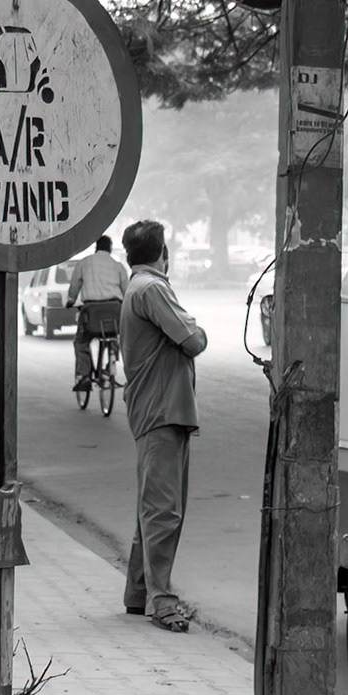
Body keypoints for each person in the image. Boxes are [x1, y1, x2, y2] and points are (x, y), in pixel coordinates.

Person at [117, 220, 206, 633]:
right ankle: (162, 601)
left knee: (151, 507)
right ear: (162, 252)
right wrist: (197, 328)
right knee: (164, 511)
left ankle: (139, 592)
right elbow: (193, 339)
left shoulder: (137, 287)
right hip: (161, 409)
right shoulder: (152, 289)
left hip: (156, 408)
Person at [68, 235, 130, 390]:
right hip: (114, 310)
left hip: (92, 312)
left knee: (81, 342)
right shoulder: (118, 266)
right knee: (115, 335)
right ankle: (111, 362)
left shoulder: (85, 263)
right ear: (110, 248)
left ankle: (85, 375)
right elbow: (127, 290)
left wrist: (71, 300)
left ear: (96, 247)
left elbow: (75, 284)